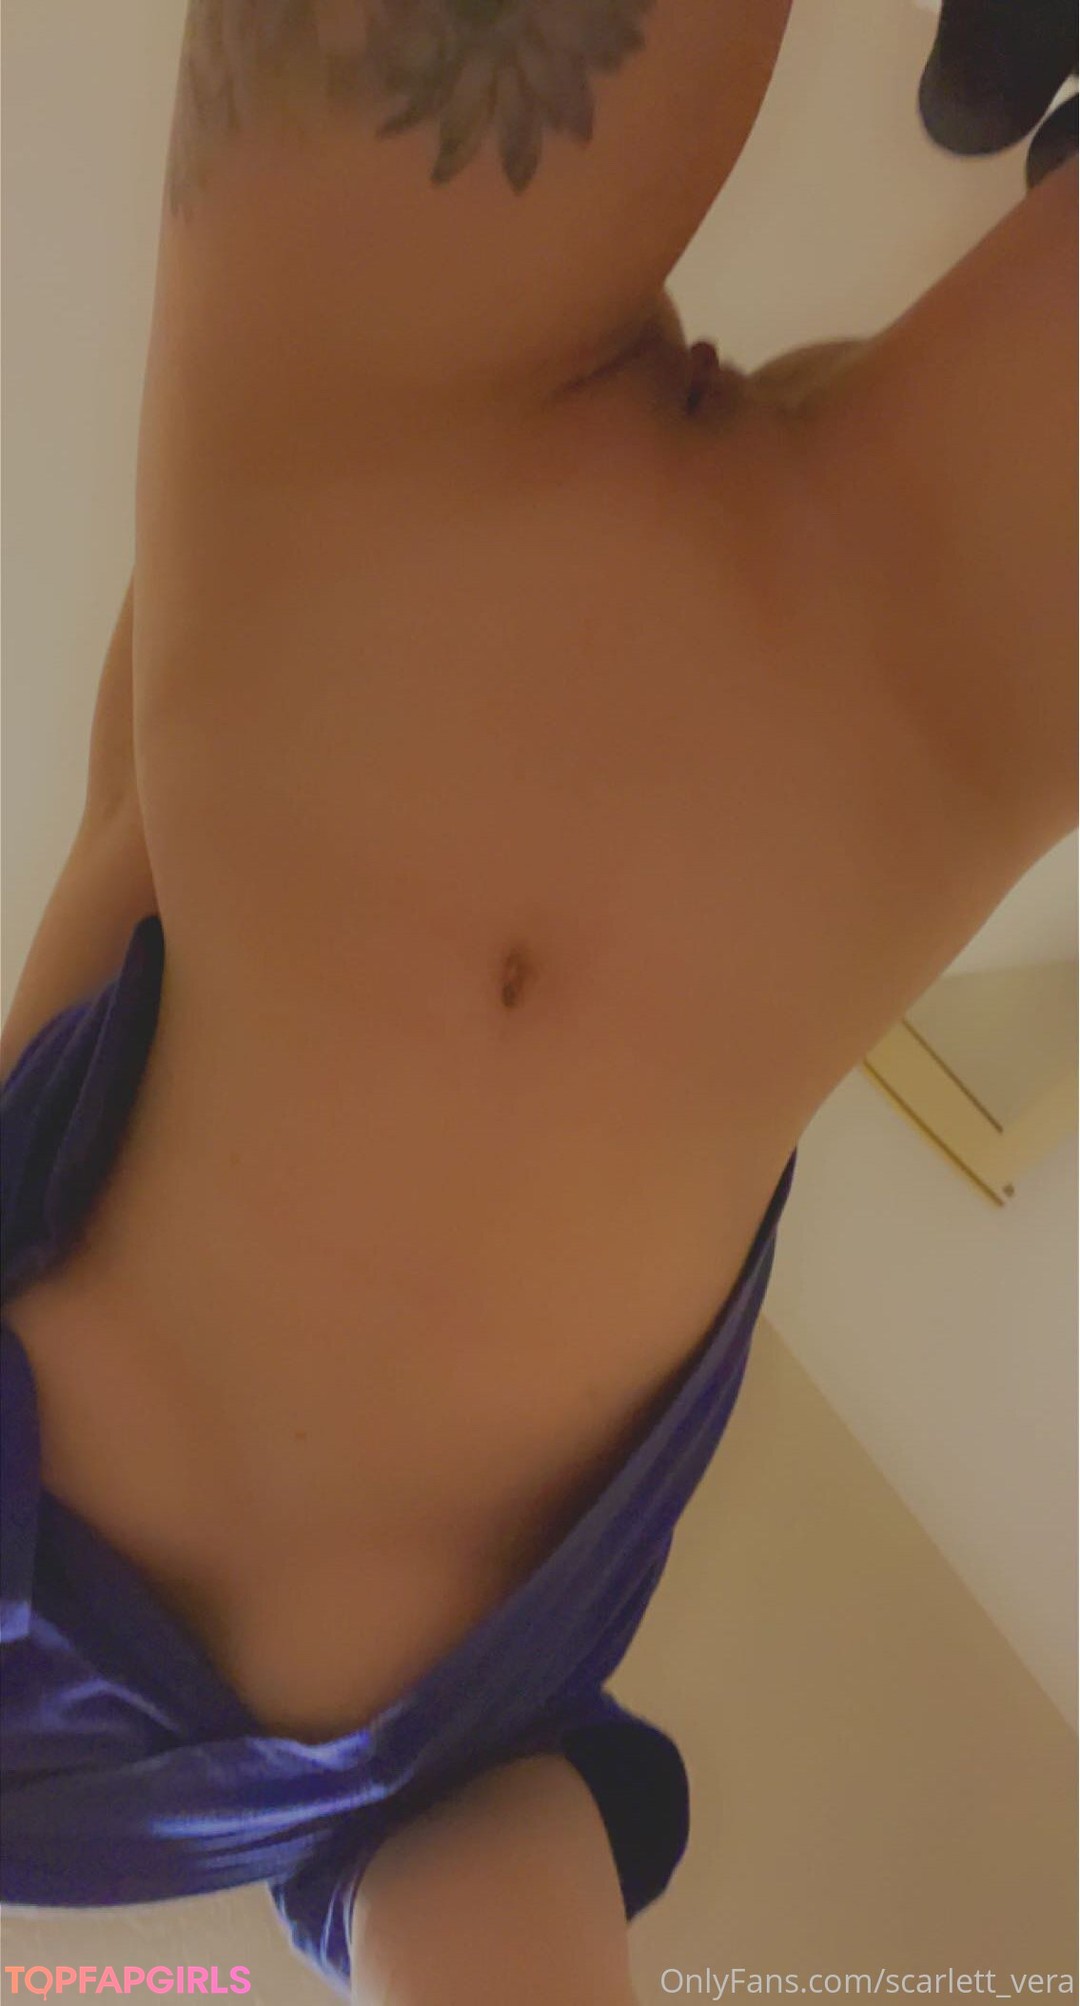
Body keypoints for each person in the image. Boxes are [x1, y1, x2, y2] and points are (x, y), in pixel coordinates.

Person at [1, 3, 1075, 2001]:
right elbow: (492, 1895)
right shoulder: (157, 1837)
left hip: (365, 459)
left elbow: (119, 836)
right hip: (891, 742)